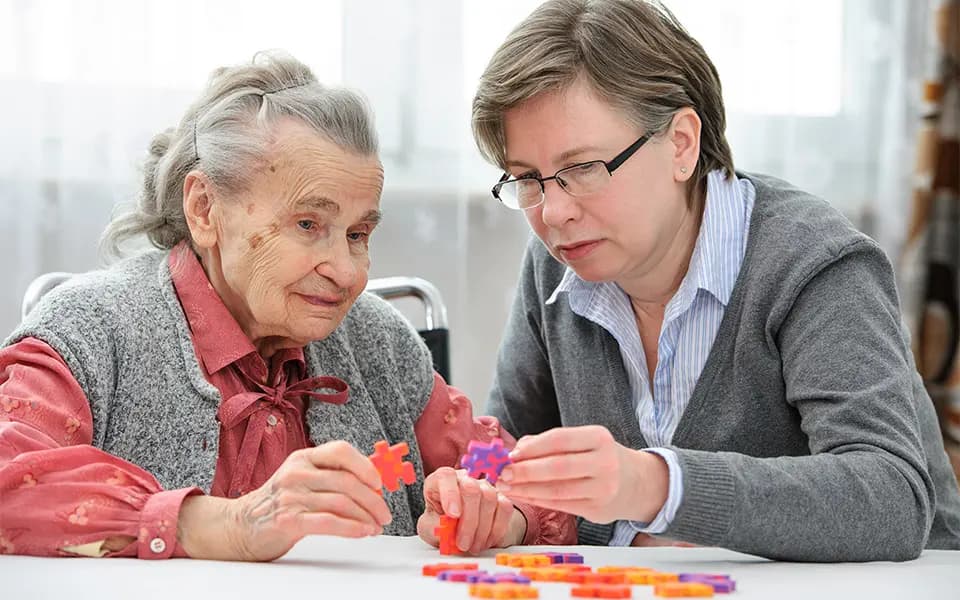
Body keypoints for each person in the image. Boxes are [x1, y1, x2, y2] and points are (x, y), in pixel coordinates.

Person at [0, 52, 574, 560]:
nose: (347, 273)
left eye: (357, 234)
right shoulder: (91, 331)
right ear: (204, 209)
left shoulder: (379, 343)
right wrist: (225, 524)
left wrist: (495, 506)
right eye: (308, 224)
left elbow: (502, 466)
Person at [469, 0, 960, 561]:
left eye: (583, 168)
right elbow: (504, 452)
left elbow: (892, 498)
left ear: (681, 144)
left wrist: (654, 483)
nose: (553, 213)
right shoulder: (555, 263)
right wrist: (482, 498)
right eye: (528, 179)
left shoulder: (814, 263)